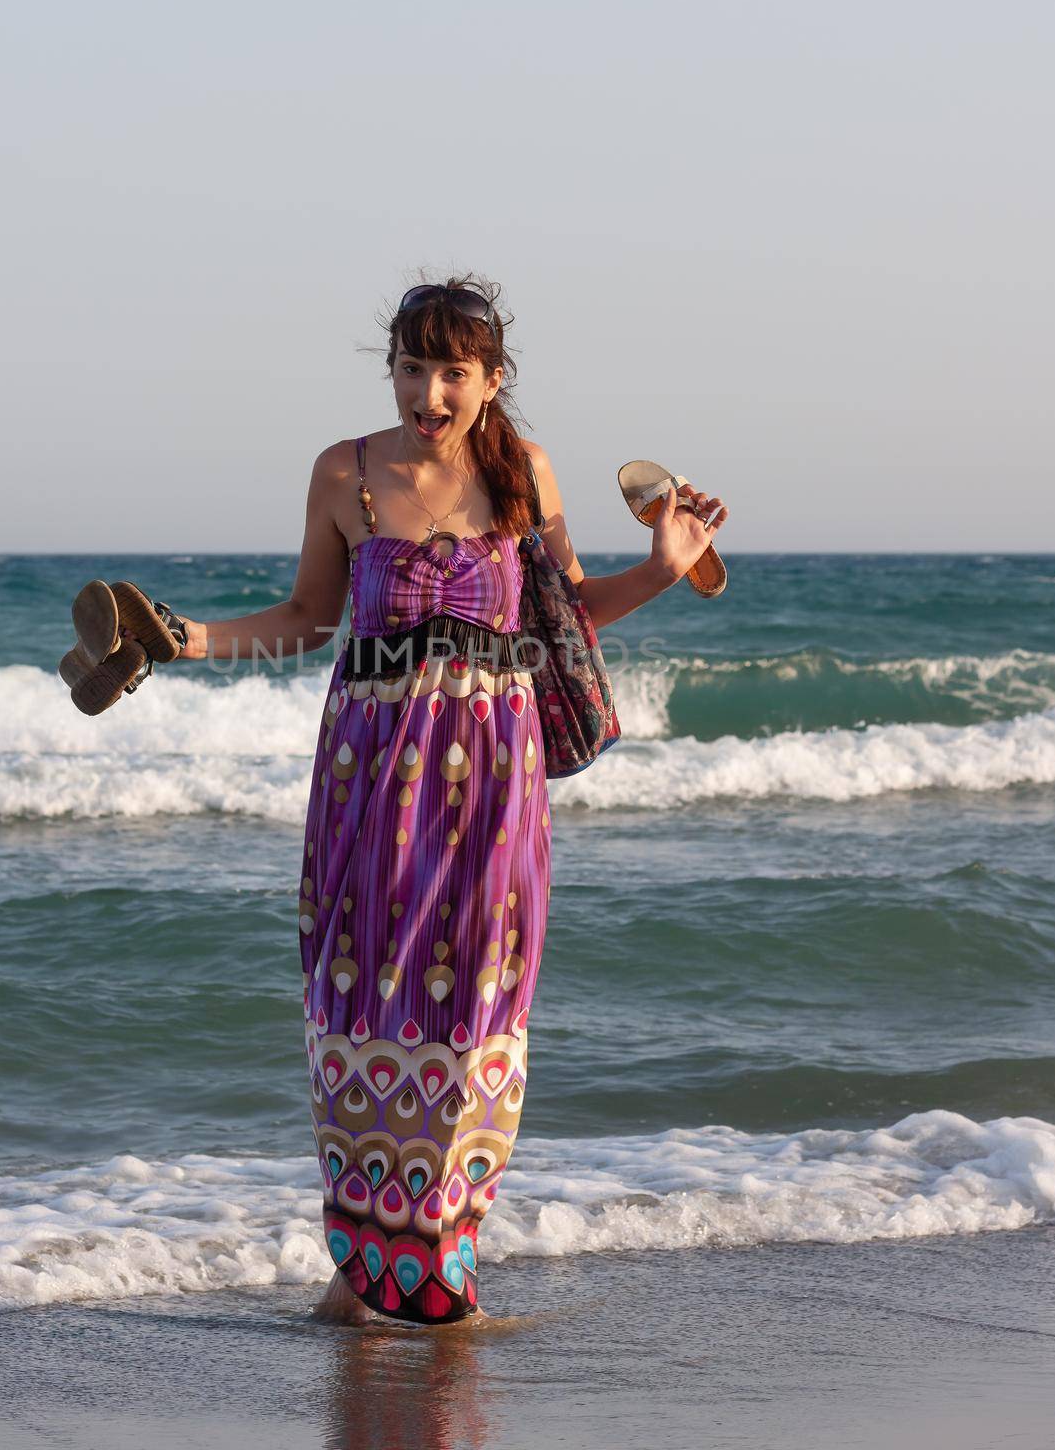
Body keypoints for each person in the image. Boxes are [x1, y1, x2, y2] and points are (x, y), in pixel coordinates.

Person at [158, 276, 728, 1324]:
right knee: (363, 996)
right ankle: (361, 1263)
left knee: (475, 1005)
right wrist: (183, 639)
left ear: (491, 377)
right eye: (412, 366)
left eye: (452, 370)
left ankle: (436, 1257)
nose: (429, 390)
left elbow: (570, 614)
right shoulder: (345, 471)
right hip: (371, 774)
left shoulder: (524, 473)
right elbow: (304, 617)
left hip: (495, 772)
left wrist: (661, 567)